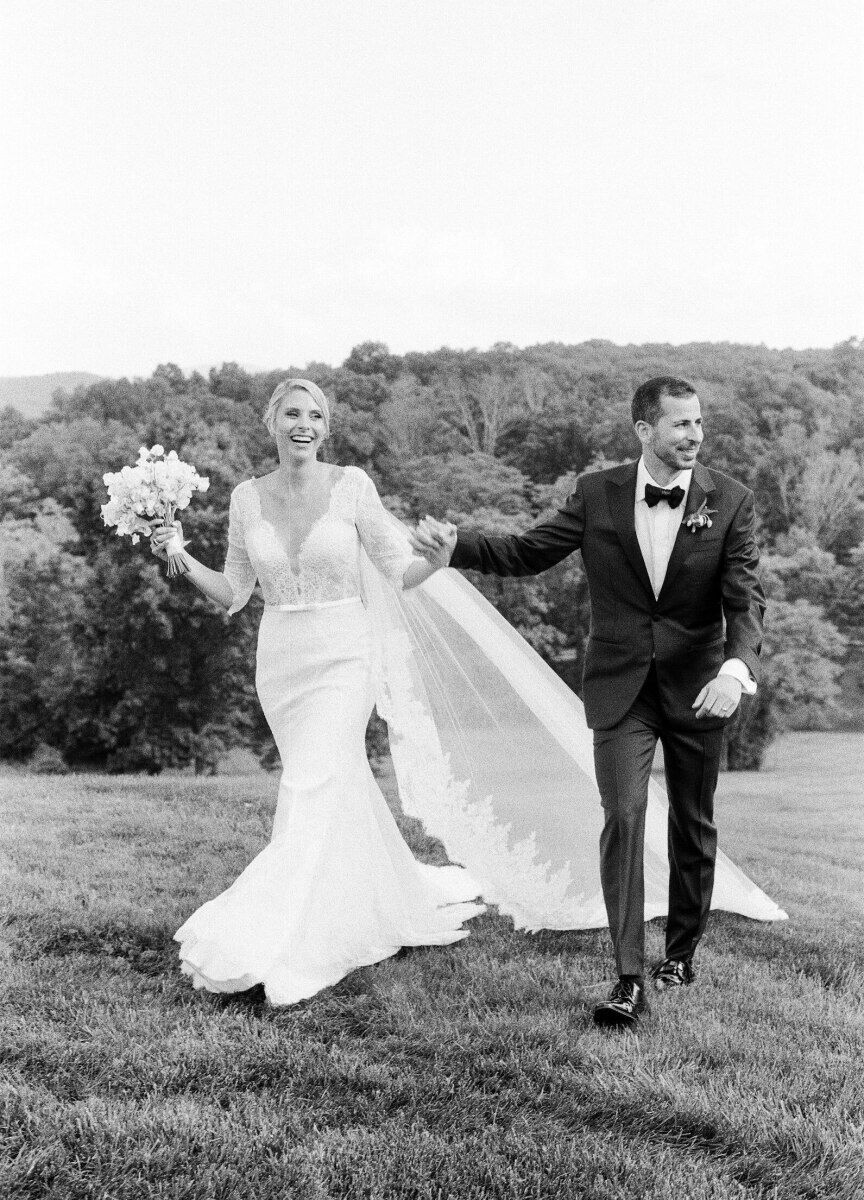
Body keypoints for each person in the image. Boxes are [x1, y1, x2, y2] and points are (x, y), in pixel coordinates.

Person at [410, 377, 767, 1029]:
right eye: (681, 424)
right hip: (620, 686)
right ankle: (629, 977)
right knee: (625, 816)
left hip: (698, 686)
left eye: (698, 424)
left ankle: (680, 952)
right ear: (644, 431)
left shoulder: (732, 501)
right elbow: (527, 553)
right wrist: (456, 548)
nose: (695, 436)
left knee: (692, 821)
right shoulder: (597, 493)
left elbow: (745, 600)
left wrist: (735, 669)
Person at [150, 378, 484, 1006]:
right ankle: (370, 897)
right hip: (282, 660)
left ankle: (287, 932)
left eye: (316, 416)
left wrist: (438, 560)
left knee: (313, 781)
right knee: (332, 781)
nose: (304, 425)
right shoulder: (246, 498)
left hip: (345, 653)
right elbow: (233, 592)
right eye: (292, 415)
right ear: (271, 423)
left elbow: (399, 569)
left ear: (327, 427)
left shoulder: (352, 485)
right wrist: (179, 554)